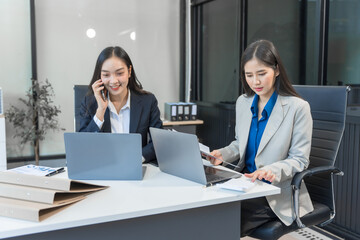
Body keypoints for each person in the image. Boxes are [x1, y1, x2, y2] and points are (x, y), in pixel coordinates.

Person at [208, 39, 314, 236]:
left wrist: (272, 170)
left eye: (262, 74)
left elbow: (300, 160)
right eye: (249, 75)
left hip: (273, 192)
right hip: (242, 183)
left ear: (277, 70)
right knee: (203, 211)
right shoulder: (243, 102)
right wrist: (221, 155)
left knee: (222, 223)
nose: (255, 82)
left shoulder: (298, 108)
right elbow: (240, 144)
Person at [79, 46, 162, 163]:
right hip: (101, 168)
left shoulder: (148, 101)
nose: (113, 81)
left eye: (119, 73)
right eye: (106, 75)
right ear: (100, 76)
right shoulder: (90, 103)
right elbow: (82, 147)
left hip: (136, 168)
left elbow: (158, 142)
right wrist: (100, 111)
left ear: (129, 71)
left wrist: (136, 159)